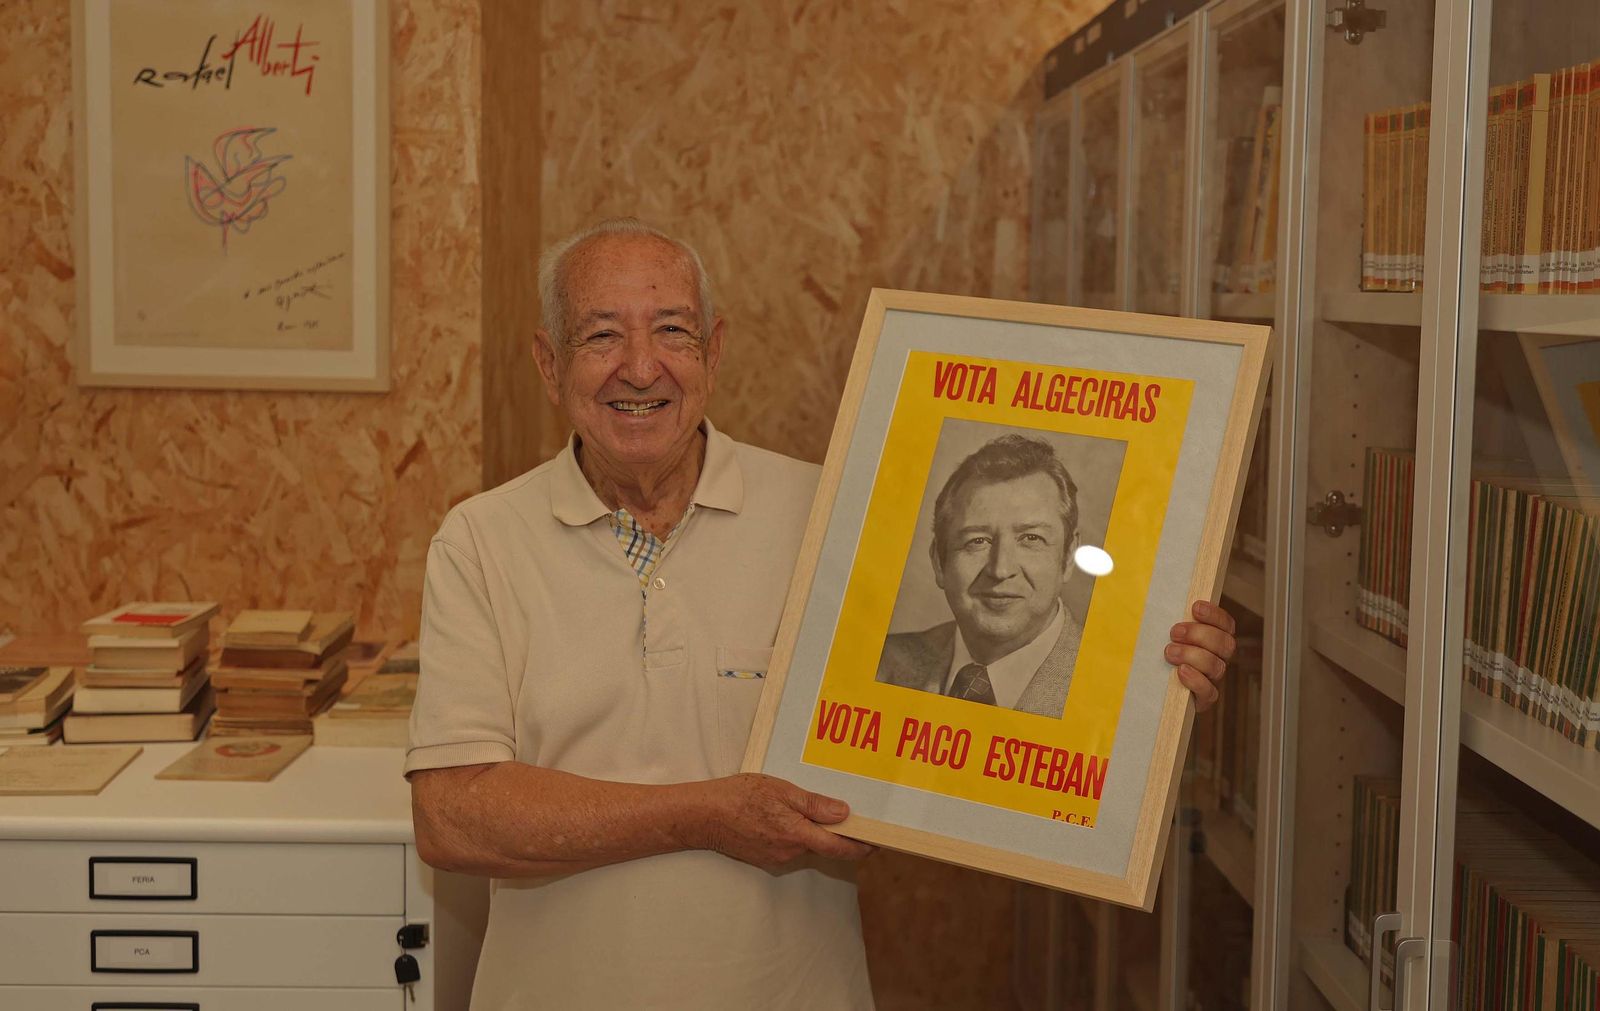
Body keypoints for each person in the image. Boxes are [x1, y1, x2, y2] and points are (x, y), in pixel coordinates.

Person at [405, 218, 1239, 1010]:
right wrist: (705, 812)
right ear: (550, 364)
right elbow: (452, 813)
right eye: (601, 335)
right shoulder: (480, 542)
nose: (640, 366)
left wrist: (1144, 683)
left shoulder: (833, 515)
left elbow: (962, 735)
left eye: (671, 330)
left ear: (714, 351)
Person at [877, 433, 1090, 718]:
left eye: (1030, 538)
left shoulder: (1112, 686)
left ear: (1067, 557)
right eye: (977, 541)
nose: (1000, 570)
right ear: (939, 562)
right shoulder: (879, 662)